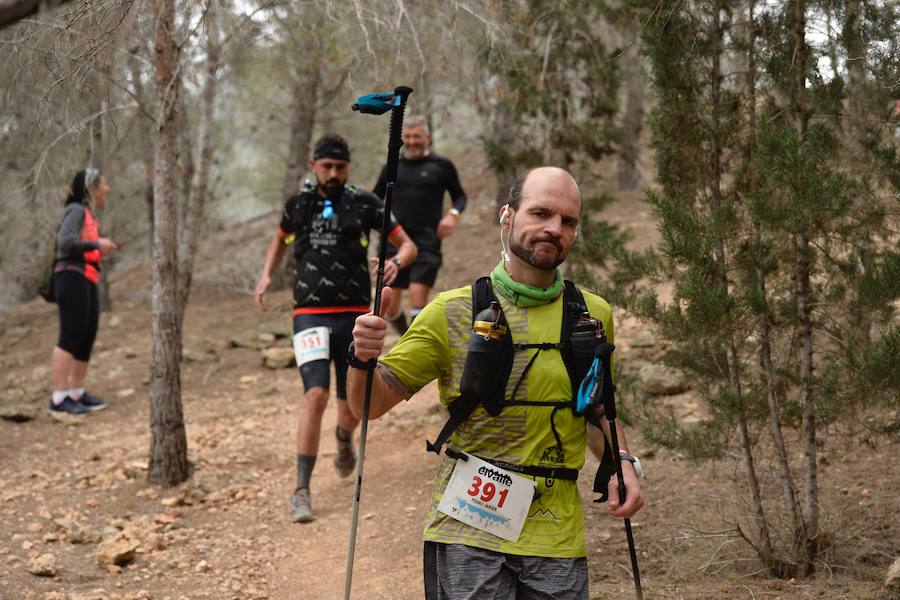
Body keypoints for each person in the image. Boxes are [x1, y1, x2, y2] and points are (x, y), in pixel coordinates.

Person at [349, 167, 645, 599]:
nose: (554, 228)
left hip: (556, 534)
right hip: (467, 529)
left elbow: (596, 409)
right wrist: (360, 358)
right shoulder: (450, 311)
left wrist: (621, 462)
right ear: (507, 216)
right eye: (540, 212)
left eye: (568, 221)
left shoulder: (592, 315)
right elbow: (369, 406)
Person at [254, 133, 417, 523]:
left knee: (352, 407)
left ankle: (344, 439)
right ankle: (301, 490)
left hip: (353, 314)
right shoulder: (299, 204)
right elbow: (279, 242)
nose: (332, 173)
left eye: (340, 167)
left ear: (348, 168)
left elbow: (407, 245)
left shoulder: (364, 202)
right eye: (326, 166)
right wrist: (265, 277)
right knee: (315, 396)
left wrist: (396, 262)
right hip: (308, 313)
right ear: (313, 166)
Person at [372, 116, 467, 334]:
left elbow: (460, 197)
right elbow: (375, 199)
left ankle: (415, 343)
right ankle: (406, 334)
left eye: (417, 136)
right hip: (394, 241)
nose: (412, 141)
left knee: (417, 295)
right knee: (391, 305)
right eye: (408, 136)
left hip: (427, 241)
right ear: (402, 138)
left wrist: (452, 216)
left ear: (428, 137)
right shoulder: (392, 166)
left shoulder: (442, 166)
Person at [49, 168, 119, 416]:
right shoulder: (76, 211)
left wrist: (99, 247)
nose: (107, 189)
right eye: (104, 184)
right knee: (70, 335)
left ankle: (76, 392)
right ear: (91, 188)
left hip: (87, 277)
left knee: (86, 334)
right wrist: (96, 244)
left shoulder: (87, 213)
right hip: (71, 277)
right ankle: (59, 398)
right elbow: (65, 243)